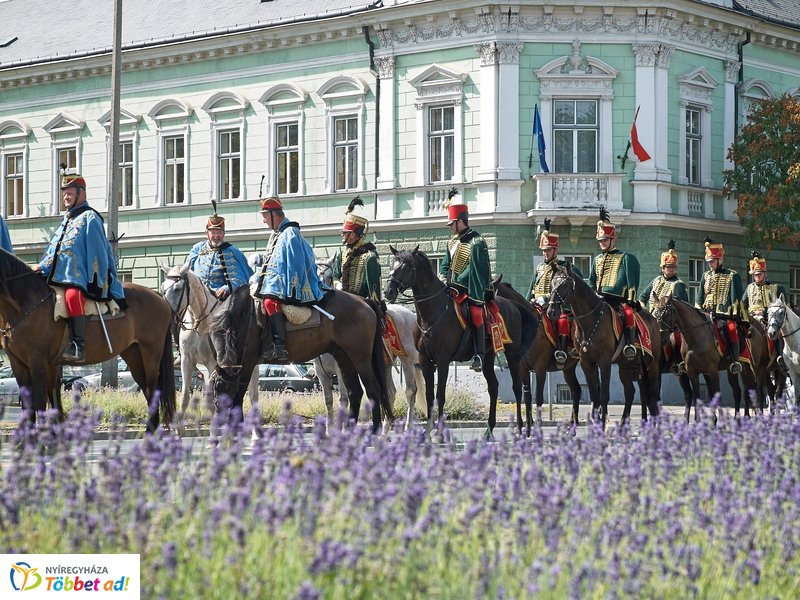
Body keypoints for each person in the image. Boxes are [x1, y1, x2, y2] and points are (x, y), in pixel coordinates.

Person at [33, 173, 125, 363]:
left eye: (69, 193)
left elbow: (99, 252)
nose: (65, 197)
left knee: (71, 296)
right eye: (64, 194)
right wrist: (41, 266)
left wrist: (97, 281)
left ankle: (78, 345)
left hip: (81, 278)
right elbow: (55, 250)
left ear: (81, 195)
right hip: (57, 276)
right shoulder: (67, 219)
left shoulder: (90, 218)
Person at [250, 196, 324, 361]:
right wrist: (255, 277)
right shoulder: (276, 235)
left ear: (273, 215)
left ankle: (280, 346)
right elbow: (270, 263)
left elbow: (296, 264)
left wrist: (292, 289)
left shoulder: (290, 233)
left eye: (264, 217)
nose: (264, 221)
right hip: (272, 283)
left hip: (289, 284)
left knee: (269, 302)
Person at [439, 191, 492, 372]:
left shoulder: (477, 242)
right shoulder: (452, 243)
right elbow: (445, 265)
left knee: (476, 313)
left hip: (470, 290)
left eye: (452, 224)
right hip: (450, 289)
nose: (450, 227)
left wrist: (457, 281)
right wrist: (442, 276)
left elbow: (476, 269)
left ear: (460, 221)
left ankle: (479, 354)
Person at [528, 218, 583, 364]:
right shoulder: (539, 268)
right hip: (537, 306)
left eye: (548, 250)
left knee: (563, 321)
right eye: (544, 250)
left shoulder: (563, 267)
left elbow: (577, 286)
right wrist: (527, 303)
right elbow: (531, 288)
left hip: (556, 306)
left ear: (555, 250)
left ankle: (562, 351)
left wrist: (548, 298)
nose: (545, 253)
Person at [588, 208, 640, 359]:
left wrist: (629, 299)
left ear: (613, 239)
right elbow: (591, 280)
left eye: (605, 240)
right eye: (600, 241)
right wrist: (594, 294)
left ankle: (630, 345)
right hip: (599, 300)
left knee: (629, 314)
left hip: (618, 300)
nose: (602, 243)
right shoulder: (597, 259)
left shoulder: (625, 258)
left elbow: (630, 282)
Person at [697, 237, 747, 374]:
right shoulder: (705, 276)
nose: (710, 264)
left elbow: (736, 299)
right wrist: (698, 311)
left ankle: (735, 361)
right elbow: (700, 296)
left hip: (724, 315)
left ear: (720, 260)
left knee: (731, 329)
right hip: (707, 313)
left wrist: (732, 314)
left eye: (712, 261)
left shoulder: (732, 275)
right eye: (708, 262)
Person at [186, 204, 253, 301]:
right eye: (213, 232)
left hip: (220, 298)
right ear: (207, 234)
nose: (216, 236)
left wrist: (227, 288)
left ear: (224, 234)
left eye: (219, 232)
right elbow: (187, 271)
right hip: (197, 296)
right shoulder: (197, 249)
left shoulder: (232, 251)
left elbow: (241, 280)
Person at [640, 240, 689, 372]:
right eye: (668, 267)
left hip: (669, 323)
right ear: (662, 268)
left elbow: (684, 306)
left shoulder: (679, 284)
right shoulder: (656, 280)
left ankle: (677, 363)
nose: (670, 269)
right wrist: (645, 311)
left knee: (675, 339)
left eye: (673, 267)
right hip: (652, 319)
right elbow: (642, 296)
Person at [743, 251, 788, 366]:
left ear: (765, 273)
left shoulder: (775, 288)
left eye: (759, 274)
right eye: (755, 275)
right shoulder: (749, 289)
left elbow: (781, 309)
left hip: (767, 318)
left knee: (777, 333)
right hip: (751, 318)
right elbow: (743, 305)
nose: (757, 277)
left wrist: (763, 313)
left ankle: (780, 357)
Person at [332, 196, 382, 300]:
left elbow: (374, 286)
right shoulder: (342, 254)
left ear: (353, 234)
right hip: (343, 299)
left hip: (362, 302)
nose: (342, 235)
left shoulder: (370, 256)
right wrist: (337, 284)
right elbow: (335, 275)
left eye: (345, 233)